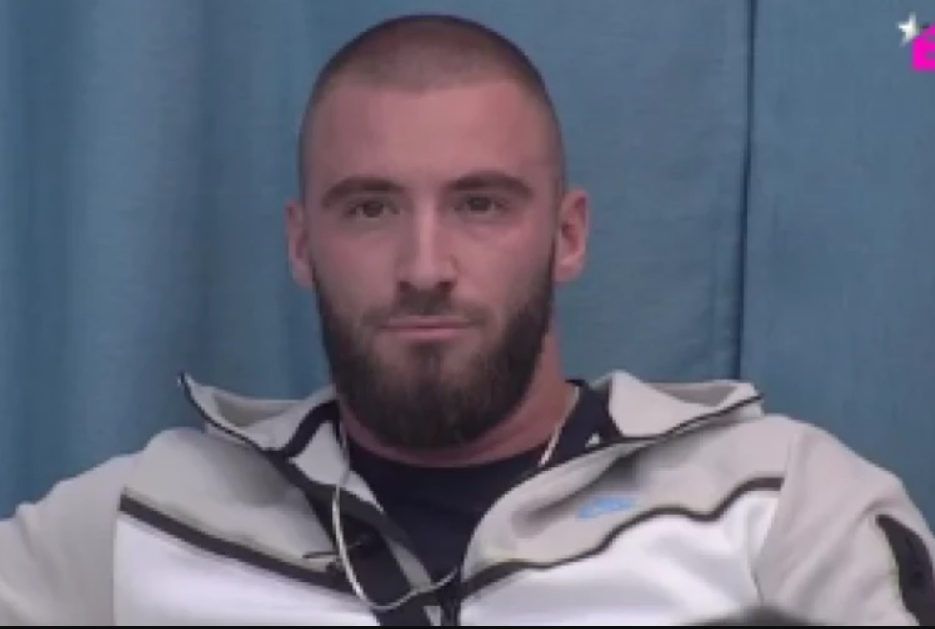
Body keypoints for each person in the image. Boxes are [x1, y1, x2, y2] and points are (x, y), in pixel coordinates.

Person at [1, 13, 933, 627]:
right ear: (301, 243)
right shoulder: (142, 519)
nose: (424, 267)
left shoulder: (777, 501)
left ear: (567, 235)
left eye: (480, 204)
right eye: (370, 207)